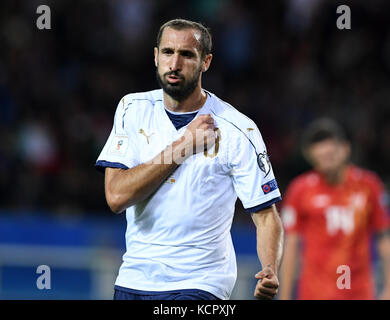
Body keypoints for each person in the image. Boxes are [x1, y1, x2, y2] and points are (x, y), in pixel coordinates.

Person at [95, 18, 284, 300]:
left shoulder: (237, 129)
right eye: (168, 52)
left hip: (201, 282)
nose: (175, 63)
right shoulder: (131, 109)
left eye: (186, 54)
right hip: (134, 277)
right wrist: (183, 146)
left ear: (205, 62)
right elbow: (116, 196)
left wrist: (270, 268)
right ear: (155, 56)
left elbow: (266, 217)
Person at [279, 118, 390, 300]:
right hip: (314, 294)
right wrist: (284, 296)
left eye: (330, 150)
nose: (325, 156)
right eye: (319, 152)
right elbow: (291, 245)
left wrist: (388, 288)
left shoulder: (369, 185)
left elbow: (384, 239)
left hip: (359, 294)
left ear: (345, 149)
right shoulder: (300, 190)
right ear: (310, 156)